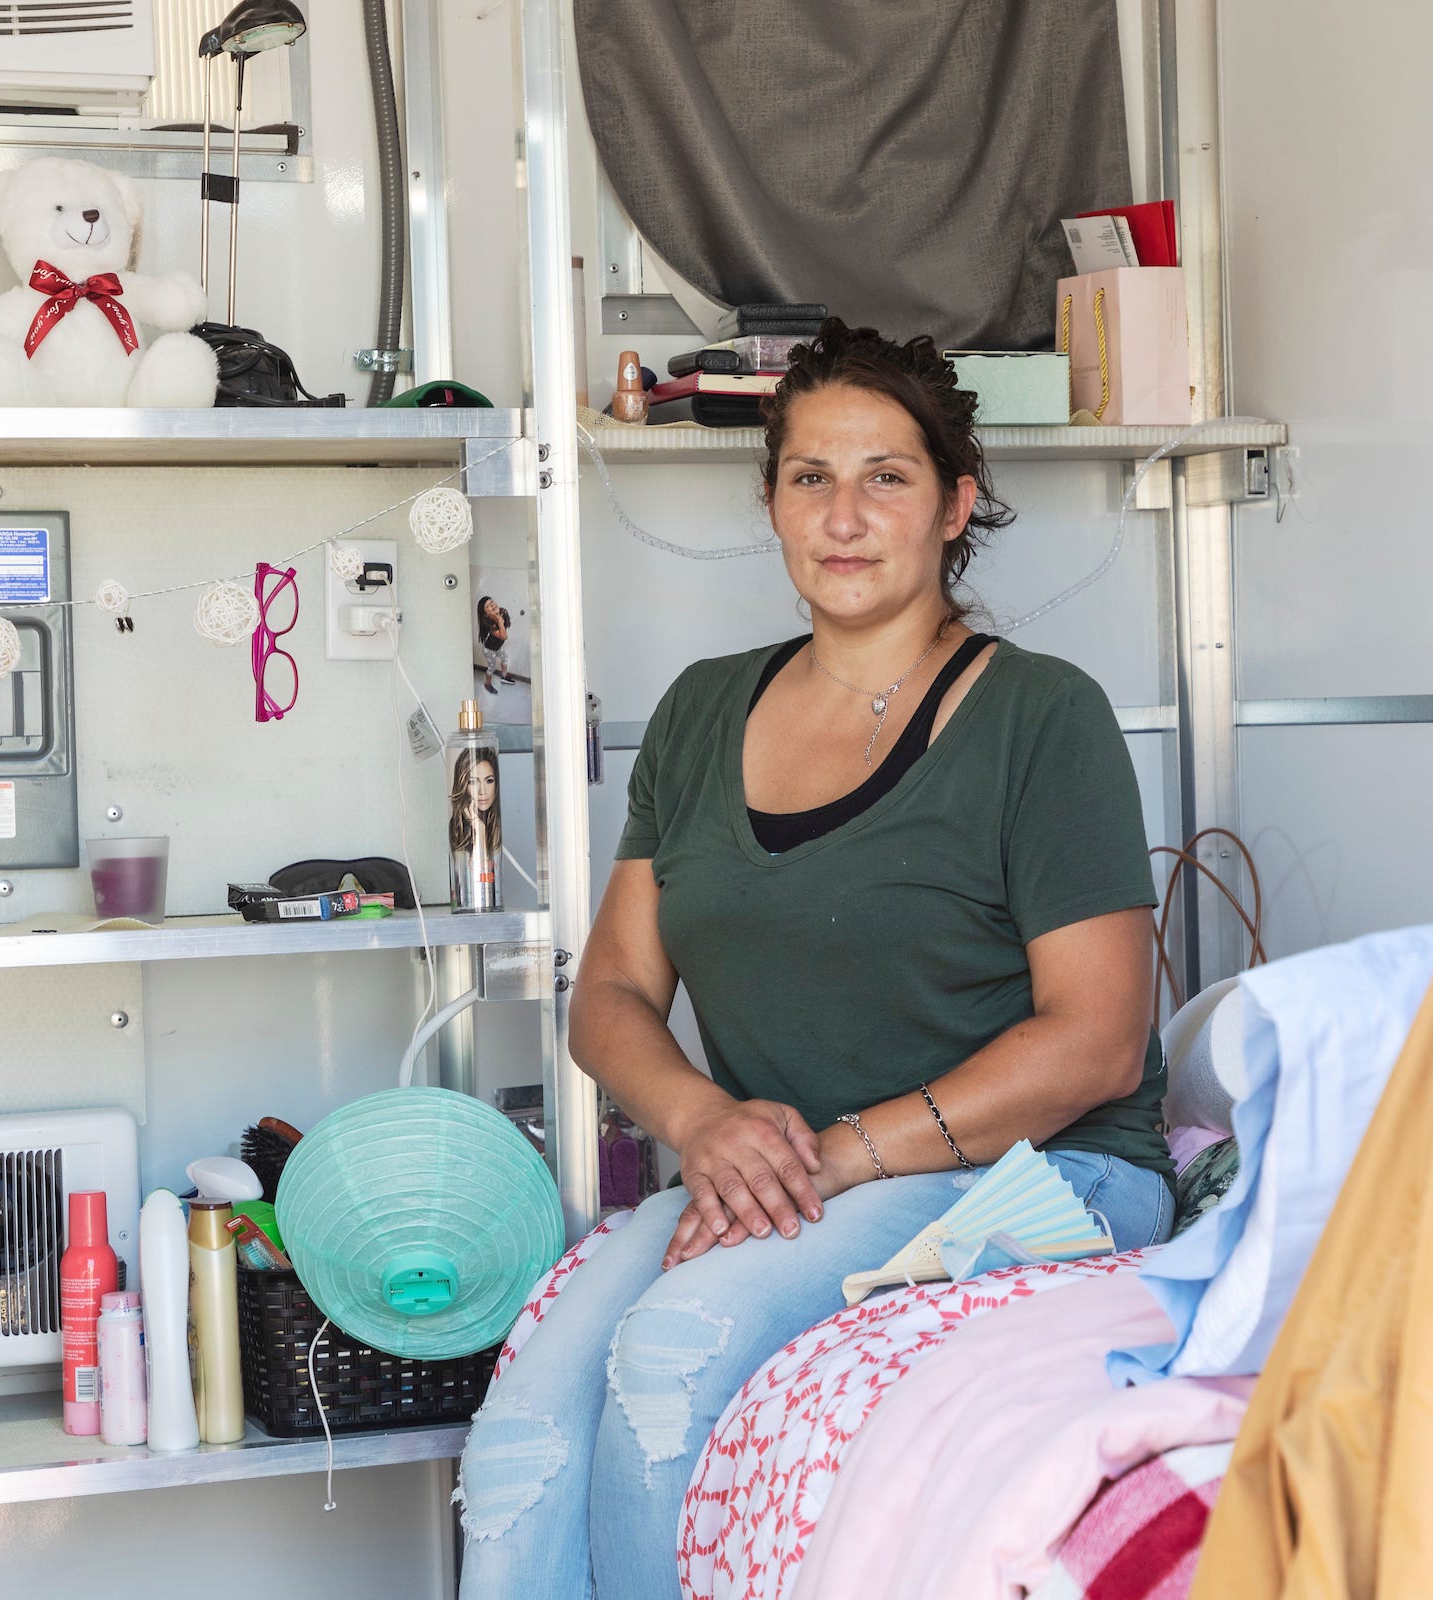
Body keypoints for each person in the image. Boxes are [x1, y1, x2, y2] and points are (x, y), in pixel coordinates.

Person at [455, 322, 1172, 1600]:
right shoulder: (699, 710)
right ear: (773, 501)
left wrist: (834, 1155)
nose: (845, 516)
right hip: (782, 1173)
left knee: (673, 1351)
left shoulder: (1037, 715)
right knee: (522, 1435)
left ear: (957, 505)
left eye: (887, 478)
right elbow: (613, 991)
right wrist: (705, 1120)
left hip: (1043, 1174)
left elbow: (1097, 1039)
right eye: (810, 478)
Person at [448, 748, 502, 911]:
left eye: (489, 780)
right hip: (466, 908)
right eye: (473, 781)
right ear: (463, 784)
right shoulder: (457, 826)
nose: (482, 791)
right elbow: (475, 878)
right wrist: (479, 831)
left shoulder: (498, 824)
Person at [474, 596, 516, 690]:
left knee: (505, 658)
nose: (492, 604)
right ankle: (487, 684)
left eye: (492, 602)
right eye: (488, 606)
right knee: (491, 668)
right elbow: (504, 636)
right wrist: (500, 621)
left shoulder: (503, 611)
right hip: (489, 650)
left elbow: (508, 625)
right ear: (485, 614)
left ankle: (504, 676)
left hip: (498, 646)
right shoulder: (487, 623)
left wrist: (502, 617)